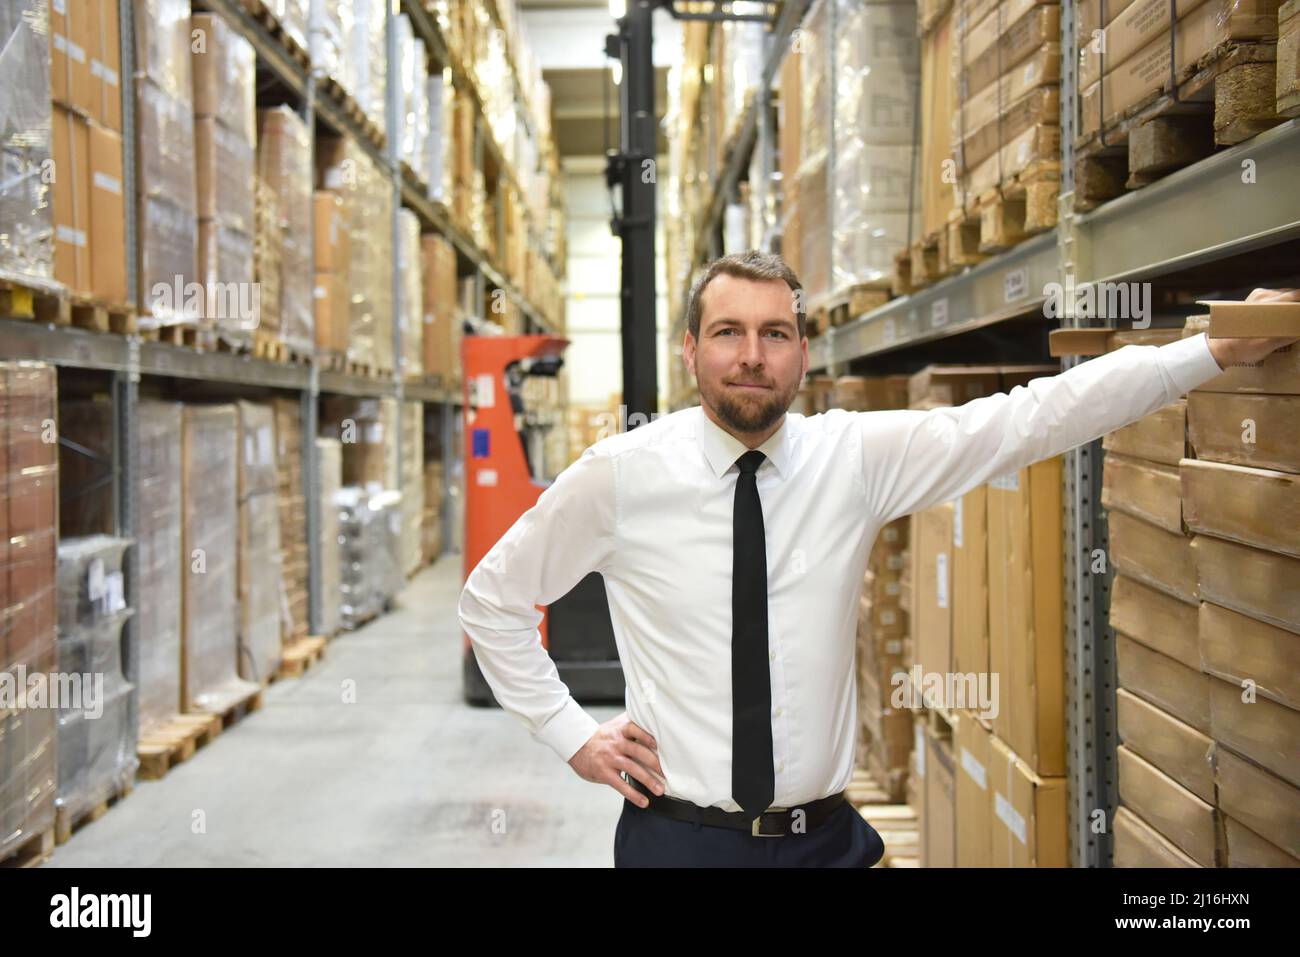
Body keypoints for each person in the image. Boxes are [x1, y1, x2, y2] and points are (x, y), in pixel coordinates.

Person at [458, 251, 1299, 868]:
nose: (752, 354)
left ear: (803, 355)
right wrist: (573, 735)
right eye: (728, 332)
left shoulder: (851, 459)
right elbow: (491, 600)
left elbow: (1027, 418)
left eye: (775, 333)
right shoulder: (621, 477)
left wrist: (1208, 353)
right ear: (690, 351)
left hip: (826, 842)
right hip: (678, 840)